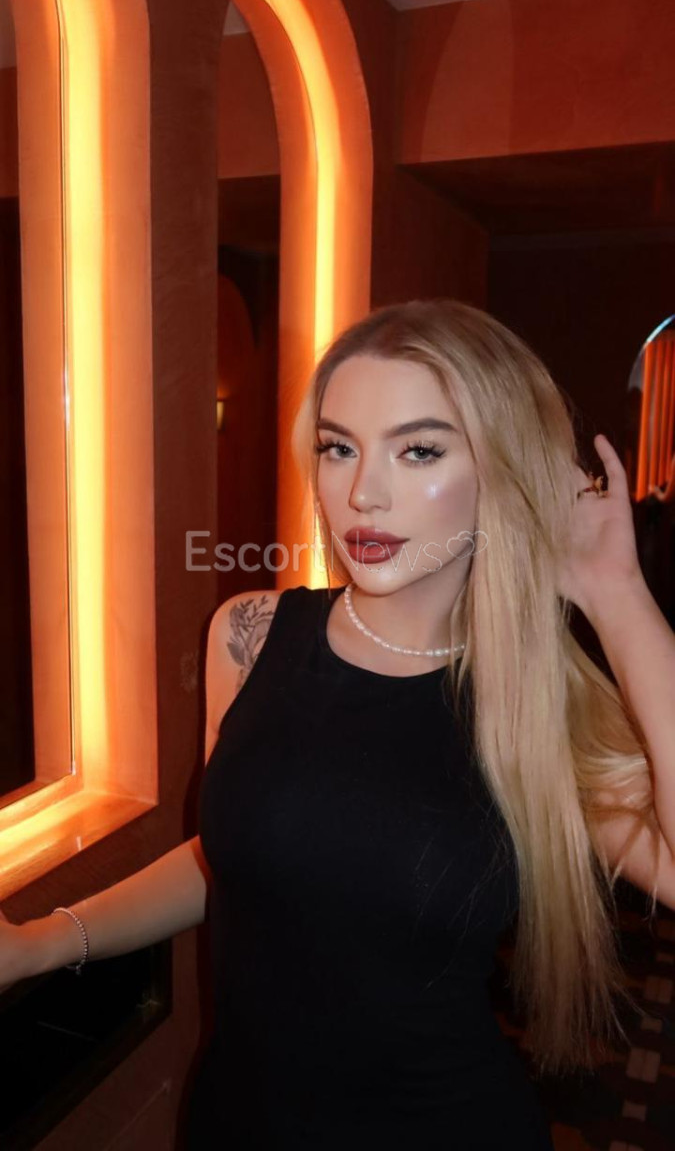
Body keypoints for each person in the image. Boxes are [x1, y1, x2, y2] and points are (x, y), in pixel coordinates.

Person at [2, 298, 675, 1150]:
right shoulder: (250, 635)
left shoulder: (536, 702)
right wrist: (41, 945)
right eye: (338, 447)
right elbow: (232, 859)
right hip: (237, 1123)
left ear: (502, 471)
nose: (362, 493)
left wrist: (615, 594)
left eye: (418, 450)